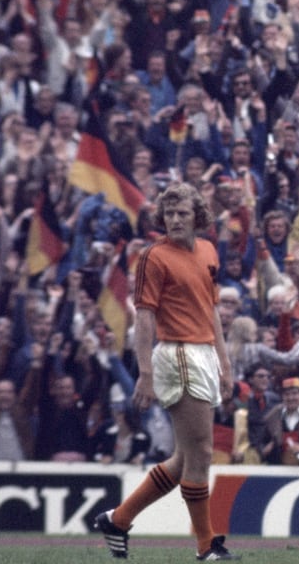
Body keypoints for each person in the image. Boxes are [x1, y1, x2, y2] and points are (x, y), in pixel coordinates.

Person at [93, 183, 238, 561]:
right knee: (202, 452)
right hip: (177, 354)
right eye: (169, 214)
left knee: (183, 458)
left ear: (197, 217)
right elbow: (143, 317)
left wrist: (224, 363)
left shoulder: (208, 250)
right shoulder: (154, 257)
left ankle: (118, 520)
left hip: (204, 353)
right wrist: (144, 372)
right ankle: (206, 546)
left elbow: (211, 311)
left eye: (182, 213)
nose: (174, 219)